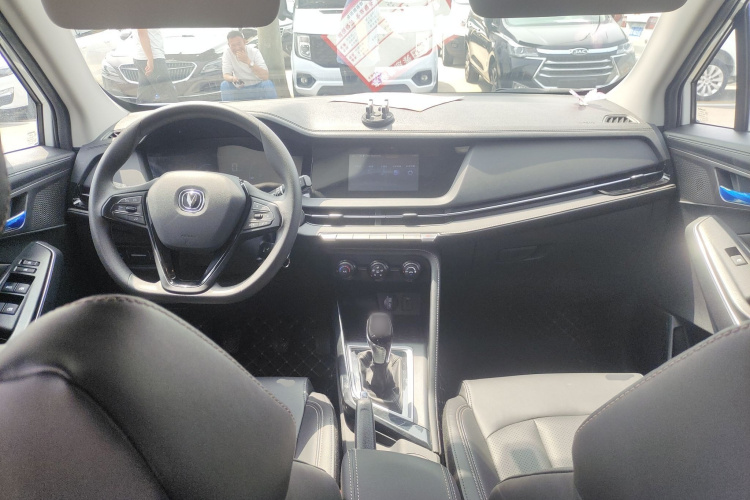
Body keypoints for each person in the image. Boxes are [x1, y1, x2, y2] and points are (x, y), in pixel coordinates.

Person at [221, 30, 277, 101]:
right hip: (240, 88)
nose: (237, 48)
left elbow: (265, 76)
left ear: (244, 41)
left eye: (239, 44)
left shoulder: (254, 52)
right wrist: (233, 78)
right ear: (229, 45)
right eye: (233, 45)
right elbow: (226, 75)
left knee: (268, 84)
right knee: (225, 85)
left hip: (257, 86)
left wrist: (248, 61)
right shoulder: (227, 53)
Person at [133, 29, 178, 104]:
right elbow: (142, 33)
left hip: (145, 57)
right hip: (153, 58)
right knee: (168, 95)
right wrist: (150, 59)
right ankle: (177, 112)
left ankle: (140, 110)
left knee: (145, 96)